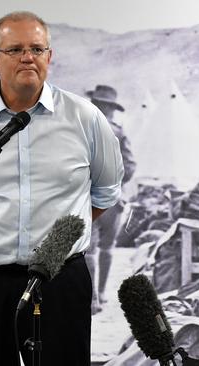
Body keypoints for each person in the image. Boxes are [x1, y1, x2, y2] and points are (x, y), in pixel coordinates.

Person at [0, 11, 124, 366]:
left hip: (61, 282)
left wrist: (62, 239)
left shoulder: (86, 118)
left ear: (49, 56)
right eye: (15, 49)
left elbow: (106, 191)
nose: (27, 57)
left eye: (37, 48)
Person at [84, 84, 135, 314]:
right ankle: (102, 294)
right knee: (107, 248)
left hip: (88, 197)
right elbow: (131, 165)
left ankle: (93, 298)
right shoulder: (119, 131)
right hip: (113, 197)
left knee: (90, 249)